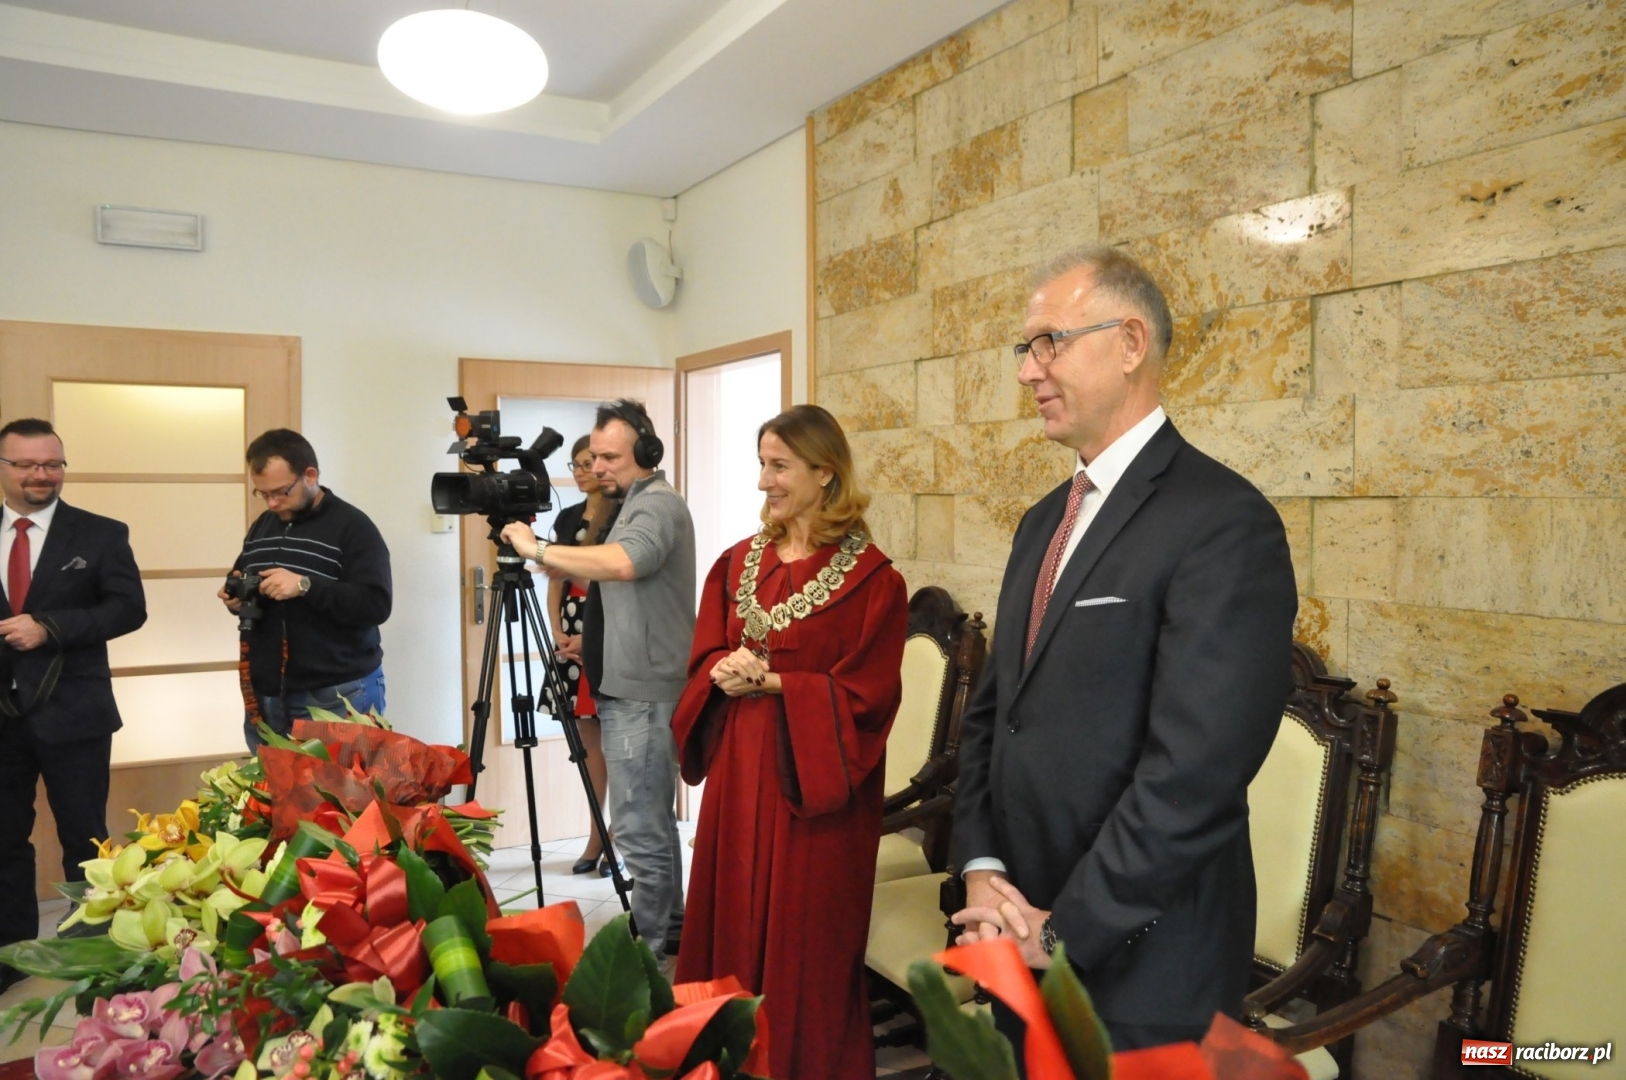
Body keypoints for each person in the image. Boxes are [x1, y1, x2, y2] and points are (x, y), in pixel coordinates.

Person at [950, 246, 1298, 1053]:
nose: (1028, 371)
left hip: (1142, 955)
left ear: (1131, 342)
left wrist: (1065, 930)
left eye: (1050, 343)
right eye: (1024, 349)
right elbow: (995, 714)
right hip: (1017, 926)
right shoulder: (1044, 519)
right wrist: (983, 866)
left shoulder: (1223, 523)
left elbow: (1195, 772)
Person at [671, 405, 907, 1080]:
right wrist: (720, 667)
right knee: (728, 916)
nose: (763, 482)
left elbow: (869, 697)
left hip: (814, 790)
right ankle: (720, 1057)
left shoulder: (874, 583)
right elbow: (705, 652)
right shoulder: (735, 564)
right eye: (761, 464)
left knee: (806, 938)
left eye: (778, 466)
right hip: (740, 778)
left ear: (825, 474)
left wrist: (778, 682)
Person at [501, 400, 693, 960]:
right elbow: (630, 585)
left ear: (647, 453)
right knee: (648, 822)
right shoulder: (632, 503)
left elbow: (626, 563)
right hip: (628, 681)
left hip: (644, 693)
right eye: (596, 455)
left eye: (610, 456)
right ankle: (671, 927)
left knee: (637, 829)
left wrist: (536, 548)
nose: (598, 465)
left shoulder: (655, 506)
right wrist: (594, 640)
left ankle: (654, 950)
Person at [0, 418, 146, 994]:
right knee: (5, 839)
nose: (43, 475)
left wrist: (50, 628)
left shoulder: (101, 533)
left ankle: (91, 957)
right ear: (4, 468)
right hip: (2, 720)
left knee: (85, 839)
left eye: (53, 464)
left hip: (76, 715)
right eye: (29, 465)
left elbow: (127, 609)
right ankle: (11, 954)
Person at [219, 429, 392, 750]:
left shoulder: (353, 527)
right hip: (268, 690)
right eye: (263, 494)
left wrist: (304, 586)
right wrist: (236, 599)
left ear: (310, 475)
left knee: (343, 798)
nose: (271, 503)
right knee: (274, 797)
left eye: (281, 492)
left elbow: (376, 604)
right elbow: (250, 580)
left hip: (336, 694)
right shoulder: (264, 525)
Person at [546, 434, 618, 876]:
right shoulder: (568, 516)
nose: (580, 471)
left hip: (606, 629)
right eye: (574, 464)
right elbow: (554, 580)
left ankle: (611, 841)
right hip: (569, 635)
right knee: (587, 743)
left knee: (615, 741)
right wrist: (557, 631)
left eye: (588, 462)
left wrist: (586, 634)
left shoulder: (619, 512)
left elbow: (608, 577)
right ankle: (596, 834)